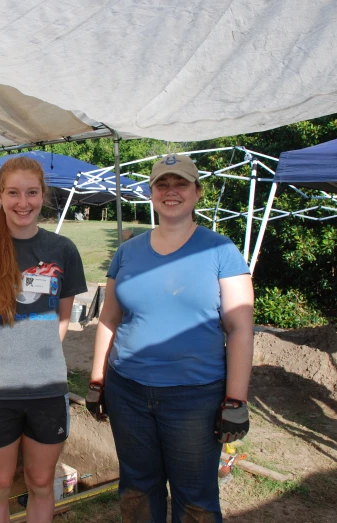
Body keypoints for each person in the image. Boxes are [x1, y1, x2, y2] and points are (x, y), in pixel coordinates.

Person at [88, 154, 254, 523]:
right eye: (162, 184)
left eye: (180, 183)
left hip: (194, 397)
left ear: (197, 192)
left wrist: (235, 399)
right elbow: (109, 319)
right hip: (127, 391)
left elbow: (240, 328)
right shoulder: (128, 252)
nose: (171, 191)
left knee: (196, 497)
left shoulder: (221, 251)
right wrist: (98, 381)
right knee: (136, 488)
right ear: (151, 194)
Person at [0, 157, 87, 523]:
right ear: (0, 196)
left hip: (47, 388)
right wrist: (3, 360)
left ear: (43, 196)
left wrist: (38, 356)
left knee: (41, 481)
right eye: (13, 193)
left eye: (31, 193)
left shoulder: (62, 250)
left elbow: (62, 319)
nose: (22, 202)